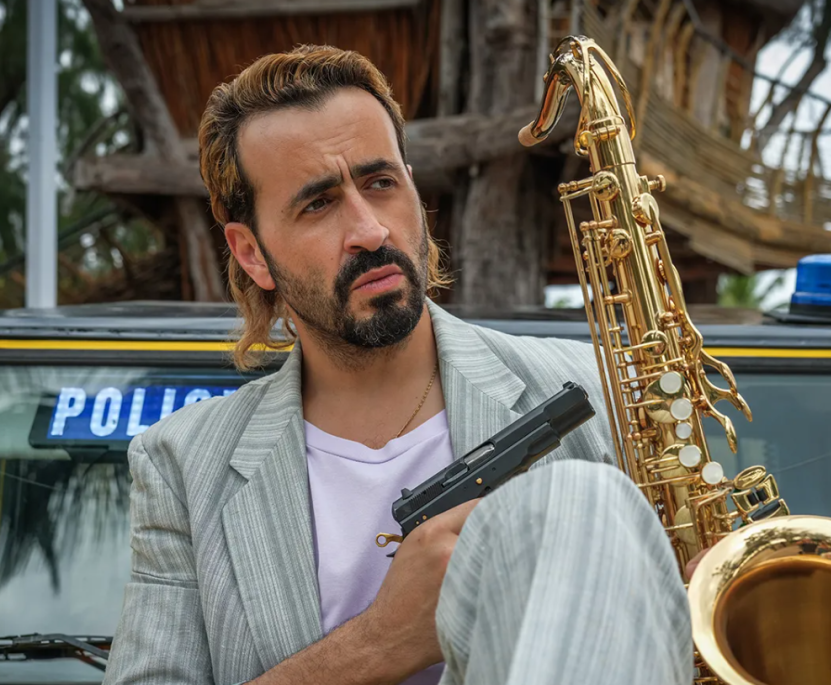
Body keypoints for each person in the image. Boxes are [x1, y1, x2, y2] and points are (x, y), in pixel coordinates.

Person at [101, 45, 693, 685]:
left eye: (381, 184)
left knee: (583, 498)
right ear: (252, 254)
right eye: (319, 203)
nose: (369, 229)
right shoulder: (183, 464)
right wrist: (382, 642)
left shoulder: (604, 396)